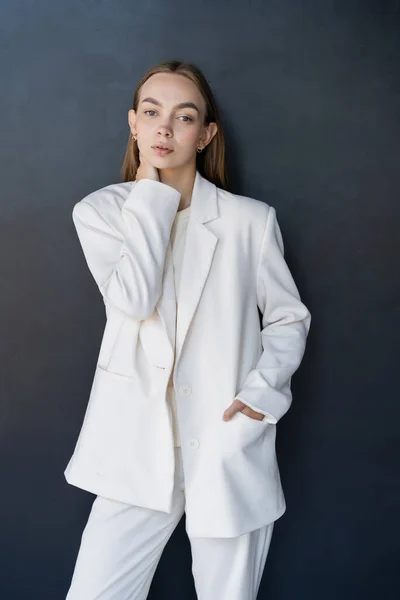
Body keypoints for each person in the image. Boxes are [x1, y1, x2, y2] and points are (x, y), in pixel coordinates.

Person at [64, 59, 311, 600]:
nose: (165, 128)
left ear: (206, 134)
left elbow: (289, 317)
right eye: (151, 113)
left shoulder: (249, 221)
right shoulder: (102, 213)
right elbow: (132, 300)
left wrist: (260, 395)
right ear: (133, 122)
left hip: (225, 443)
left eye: (184, 116)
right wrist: (151, 196)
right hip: (137, 449)